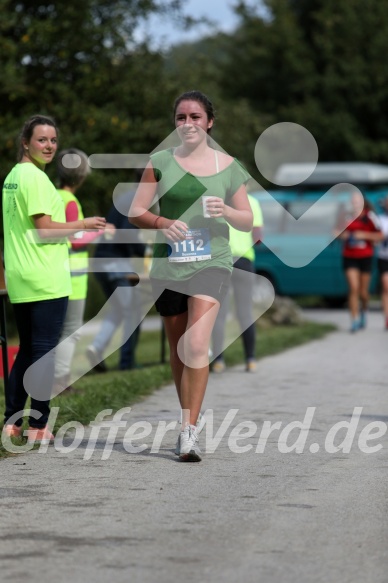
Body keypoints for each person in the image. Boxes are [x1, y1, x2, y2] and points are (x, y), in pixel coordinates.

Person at [130, 90, 253, 462]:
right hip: (169, 266)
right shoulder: (160, 161)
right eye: (181, 117)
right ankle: (187, 419)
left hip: (212, 261)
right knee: (177, 349)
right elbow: (136, 209)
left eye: (195, 117)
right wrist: (162, 222)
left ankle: (189, 431)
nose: (188, 124)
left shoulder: (228, 165)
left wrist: (227, 212)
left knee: (196, 345)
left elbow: (246, 218)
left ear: (209, 122)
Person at [1, 115, 106, 443]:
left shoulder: (12, 177)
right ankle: (38, 426)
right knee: (43, 352)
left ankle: (11, 422)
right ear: (25, 142)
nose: (48, 146)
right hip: (45, 276)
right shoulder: (36, 179)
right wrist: (84, 224)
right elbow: (45, 229)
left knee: (30, 350)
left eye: (52, 140)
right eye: (41, 140)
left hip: (20, 275)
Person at [54, 148, 114, 391]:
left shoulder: (54, 195)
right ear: (82, 175)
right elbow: (75, 239)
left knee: (58, 329)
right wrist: (101, 230)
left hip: (57, 270)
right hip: (74, 274)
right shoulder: (70, 201)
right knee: (70, 331)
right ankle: (61, 382)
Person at [86, 180, 145, 372]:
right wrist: (147, 251)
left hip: (101, 260)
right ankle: (127, 363)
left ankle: (96, 347)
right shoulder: (136, 202)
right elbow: (128, 234)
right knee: (133, 312)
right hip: (116, 264)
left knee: (120, 309)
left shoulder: (124, 199)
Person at [211, 193, 263, 373]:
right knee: (245, 313)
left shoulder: (215, 199)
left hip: (220, 260)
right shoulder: (253, 201)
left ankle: (218, 361)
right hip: (244, 260)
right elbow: (258, 238)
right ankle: (250, 359)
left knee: (219, 315)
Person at [337, 191, 382, 333]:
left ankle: (364, 310)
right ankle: (354, 320)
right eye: (353, 200)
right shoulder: (345, 215)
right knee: (353, 287)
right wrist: (344, 235)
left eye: (357, 200)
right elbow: (335, 232)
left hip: (365, 256)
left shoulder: (370, 216)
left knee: (363, 292)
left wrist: (363, 235)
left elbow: (380, 235)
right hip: (349, 256)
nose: (355, 203)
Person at [376, 196, 388, 329]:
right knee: (386, 287)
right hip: (384, 256)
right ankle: (387, 317)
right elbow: (375, 238)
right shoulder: (380, 219)